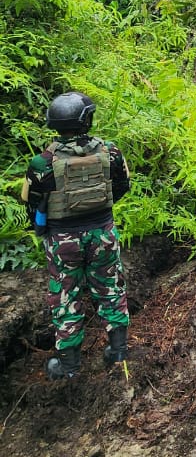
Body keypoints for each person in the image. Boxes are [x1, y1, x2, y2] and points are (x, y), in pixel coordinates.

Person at [21, 91, 131, 380]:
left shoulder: (42, 163)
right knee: (110, 287)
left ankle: (69, 366)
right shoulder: (111, 151)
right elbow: (122, 187)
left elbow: (31, 203)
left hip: (63, 240)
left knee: (65, 296)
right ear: (87, 120)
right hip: (103, 232)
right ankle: (118, 350)